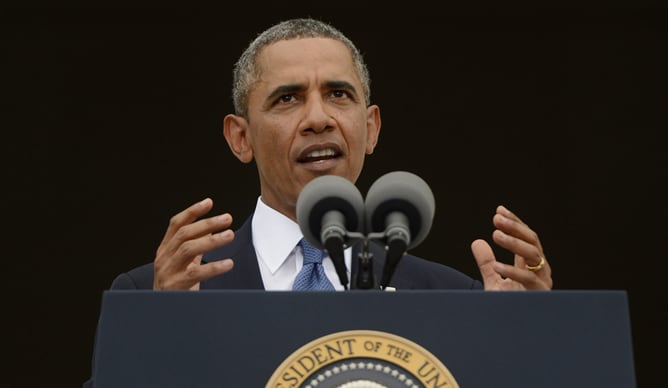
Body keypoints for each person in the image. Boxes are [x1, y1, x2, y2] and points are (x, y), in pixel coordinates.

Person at [84, 17, 552, 386]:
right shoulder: (154, 298)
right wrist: (158, 335)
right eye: (287, 98)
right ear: (240, 137)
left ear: (370, 129)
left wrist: (525, 344)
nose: (318, 118)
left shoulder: (460, 302)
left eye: (338, 94)